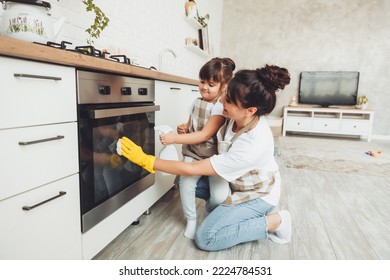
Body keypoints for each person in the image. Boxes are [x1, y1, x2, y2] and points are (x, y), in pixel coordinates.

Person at [117, 64, 292, 251]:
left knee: (206, 238)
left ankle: (277, 221)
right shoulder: (230, 111)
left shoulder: (254, 143)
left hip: (257, 194)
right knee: (183, 181)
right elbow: (203, 132)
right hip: (233, 182)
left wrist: (146, 160)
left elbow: (194, 168)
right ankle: (228, 212)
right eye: (226, 93)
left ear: (250, 111)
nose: (222, 100)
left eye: (230, 100)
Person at [160, 57, 235, 239]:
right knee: (186, 184)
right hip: (193, 152)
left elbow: (204, 135)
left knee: (219, 196)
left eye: (211, 84)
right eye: (202, 82)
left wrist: (175, 138)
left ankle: (210, 207)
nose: (204, 87)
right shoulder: (195, 101)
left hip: (213, 157)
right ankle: (191, 219)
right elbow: (191, 125)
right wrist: (183, 129)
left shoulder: (220, 108)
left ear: (223, 87)